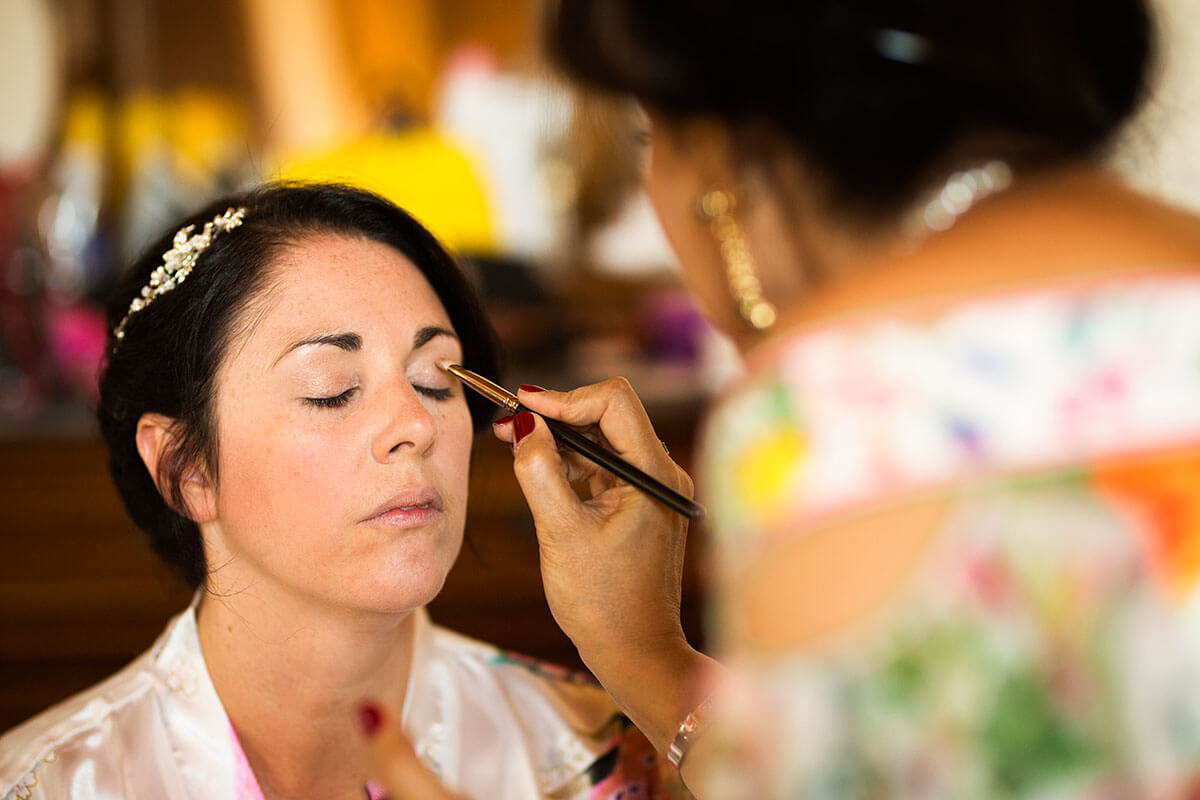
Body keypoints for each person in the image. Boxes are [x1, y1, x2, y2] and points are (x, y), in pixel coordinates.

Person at [360, 1, 1200, 798]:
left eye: (654, 135)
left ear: (724, 159)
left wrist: (651, 658)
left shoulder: (839, 411)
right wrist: (646, 655)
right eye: (331, 391)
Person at [0, 183, 668, 799]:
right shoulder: (52, 783)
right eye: (332, 390)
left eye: (437, 380)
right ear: (185, 467)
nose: (415, 424)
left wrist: (657, 665)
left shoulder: (614, 755)